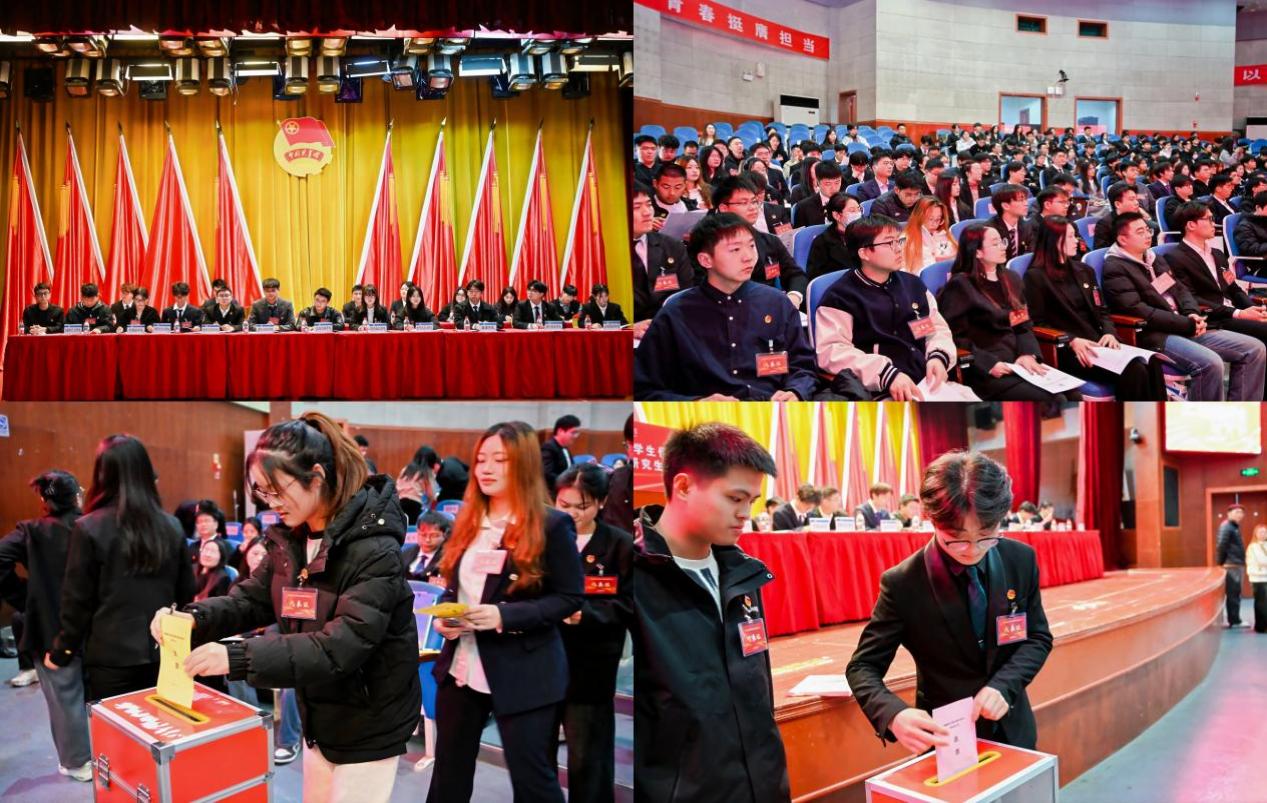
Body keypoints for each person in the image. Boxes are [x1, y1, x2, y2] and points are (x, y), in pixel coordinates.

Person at [152, 412, 422, 801]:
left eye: (277, 490)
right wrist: (192, 619)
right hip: (319, 711)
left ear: (317, 476)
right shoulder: (293, 541)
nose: (271, 503)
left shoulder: (374, 549)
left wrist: (236, 657)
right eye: (263, 492)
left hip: (369, 721)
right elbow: (250, 599)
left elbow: (339, 646)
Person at [847, 451, 1052, 754]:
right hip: (946, 738)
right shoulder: (904, 583)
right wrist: (893, 714)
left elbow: (1037, 637)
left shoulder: (1018, 559)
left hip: (1013, 727)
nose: (972, 550)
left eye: (986, 536)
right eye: (956, 539)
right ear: (931, 519)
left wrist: (1004, 686)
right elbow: (862, 666)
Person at [425, 422, 583, 803]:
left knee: (533, 781)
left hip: (523, 669)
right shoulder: (467, 520)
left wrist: (503, 616)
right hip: (461, 667)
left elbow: (569, 597)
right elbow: (458, 587)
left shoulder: (551, 524)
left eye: (500, 460)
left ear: (523, 464)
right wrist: (447, 618)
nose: (487, 469)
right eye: (481, 459)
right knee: (448, 777)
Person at [634, 422, 791, 803]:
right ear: (684, 487)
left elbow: (758, 690)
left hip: (763, 784)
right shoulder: (635, 578)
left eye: (752, 501)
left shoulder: (743, 573)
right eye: (735, 498)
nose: (745, 514)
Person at [46, 435, 195, 699]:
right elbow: (186, 591)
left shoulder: (88, 527)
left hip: (110, 657)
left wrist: (63, 651)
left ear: (103, 474)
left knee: (115, 725)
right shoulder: (172, 525)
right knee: (163, 721)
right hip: (166, 650)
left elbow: (77, 602)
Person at [635, 213, 819, 401]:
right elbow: (645, 388)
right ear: (706, 260)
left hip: (770, 409)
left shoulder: (776, 303)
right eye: (735, 249)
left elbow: (803, 365)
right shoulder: (676, 313)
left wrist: (795, 391)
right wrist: (696, 403)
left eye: (751, 246)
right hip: (708, 415)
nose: (748, 257)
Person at [1102, 212, 1266, 401]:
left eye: (1147, 230)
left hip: (1185, 324)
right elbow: (1139, 310)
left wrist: (1192, 313)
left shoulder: (1153, 258)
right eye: (1140, 232)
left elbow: (1180, 290)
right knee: (1211, 363)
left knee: (1255, 349)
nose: (1148, 235)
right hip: (1156, 334)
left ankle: (1243, 410)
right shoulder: (1115, 268)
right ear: (1122, 239)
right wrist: (1185, 323)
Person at [0, 471, 93, 782]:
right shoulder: (92, 526)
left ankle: (77, 761)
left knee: (64, 699)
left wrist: (25, 596)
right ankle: (102, 752)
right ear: (77, 496)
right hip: (95, 625)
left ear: (44, 499)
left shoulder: (31, 531)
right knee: (97, 695)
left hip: (49, 627)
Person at [553, 464, 634, 803]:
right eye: (564, 505)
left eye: (582, 506)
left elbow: (629, 604)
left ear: (601, 502)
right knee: (537, 752)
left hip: (591, 665)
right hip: (544, 659)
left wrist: (585, 615)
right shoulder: (545, 539)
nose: (572, 513)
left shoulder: (618, 544)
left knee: (588, 755)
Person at [1024, 215, 1167, 399]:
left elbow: (1102, 310)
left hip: (1099, 342)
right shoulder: (1035, 277)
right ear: (1054, 241)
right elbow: (1037, 323)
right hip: (1070, 349)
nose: (1076, 241)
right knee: (1135, 369)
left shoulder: (1084, 270)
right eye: (1070, 236)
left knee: (1153, 361)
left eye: (1075, 235)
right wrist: (1072, 340)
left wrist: (1109, 332)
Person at [815, 215, 955, 400]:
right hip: (880, 390)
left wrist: (938, 356)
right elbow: (832, 351)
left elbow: (934, 329)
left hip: (928, 383)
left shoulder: (913, 284)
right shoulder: (840, 297)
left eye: (899, 241)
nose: (898, 249)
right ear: (864, 253)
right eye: (889, 243)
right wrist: (886, 374)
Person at [939, 223, 1079, 401]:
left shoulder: (1010, 278)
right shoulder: (961, 285)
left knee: (1073, 395)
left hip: (1019, 362)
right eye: (995, 243)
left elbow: (1023, 325)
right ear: (978, 252)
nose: (1003, 247)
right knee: (1055, 400)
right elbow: (954, 337)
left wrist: (1028, 353)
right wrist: (988, 363)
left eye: (1002, 241)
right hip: (987, 369)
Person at [1167, 201, 1267, 350]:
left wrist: (1254, 309)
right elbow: (1191, 298)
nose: (1214, 223)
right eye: (1209, 219)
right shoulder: (1175, 258)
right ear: (1191, 225)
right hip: (1214, 317)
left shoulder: (1217, 254)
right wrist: (1239, 313)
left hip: (1231, 311)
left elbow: (1233, 289)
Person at [710, 175, 808, 307]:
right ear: (724, 208)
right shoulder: (709, 244)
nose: (752, 207)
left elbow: (796, 274)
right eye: (743, 203)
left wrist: (794, 296)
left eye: (754, 201)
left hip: (769, 307)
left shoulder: (769, 240)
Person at [632, 182, 693, 330]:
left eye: (649, 205)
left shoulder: (672, 247)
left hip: (667, 328)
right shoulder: (603, 254)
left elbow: (686, 295)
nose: (647, 212)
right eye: (636, 207)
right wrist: (628, 328)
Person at [806, 192, 862, 280]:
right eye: (852, 211)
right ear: (836, 215)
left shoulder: (866, 234)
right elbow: (815, 278)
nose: (858, 214)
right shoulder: (822, 242)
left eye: (859, 209)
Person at [903, 196, 957, 271]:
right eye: (930, 219)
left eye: (938, 219)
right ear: (919, 217)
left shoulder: (942, 234)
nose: (934, 224)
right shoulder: (906, 238)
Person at [1217, 505, 1250, 628]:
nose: (1240, 514)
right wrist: (1220, 563)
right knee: (1233, 594)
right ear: (1229, 513)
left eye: (1241, 512)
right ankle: (1235, 621)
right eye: (1237, 512)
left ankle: (1234, 619)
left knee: (1234, 593)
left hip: (1235, 564)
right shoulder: (1227, 526)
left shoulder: (1233, 526)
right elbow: (1221, 545)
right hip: (1232, 565)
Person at [985, 184, 1036, 260]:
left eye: (1026, 199)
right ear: (1005, 206)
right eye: (1021, 200)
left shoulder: (1027, 226)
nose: (1026, 204)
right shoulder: (990, 230)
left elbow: (1031, 254)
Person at [400, 512, 450, 583]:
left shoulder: (448, 560)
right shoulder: (404, 555)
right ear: (417, 532)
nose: (427, 540)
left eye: (433, 535)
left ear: (444, 535)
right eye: (423, 535)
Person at [792, 160, 843, 228]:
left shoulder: (848, 202)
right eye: (828, 184)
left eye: (837, 182)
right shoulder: (803, 207)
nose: (833, 188)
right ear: (818, 182)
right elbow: (801, 233)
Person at [541, 414, 580, 495]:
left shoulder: (564, 447)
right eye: (573, 432)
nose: (576, 436)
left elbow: (570, 468)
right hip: (553, 493)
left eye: (577, 433)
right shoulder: (548, 447)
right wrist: (568, 482)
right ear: (560, 431)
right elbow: (547, 474)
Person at [1234, 191, 1267, 262]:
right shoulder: (1245, 226)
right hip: (1259, 263)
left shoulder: (1264, 219)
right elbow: (1251, 249)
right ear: (1258, 207)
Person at [1247, 524, 1267, 633]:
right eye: (1260, 532)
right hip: (1258, 578)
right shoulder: (1253, 547)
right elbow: (1261, 561)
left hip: (1265, 576)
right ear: (1256, 534)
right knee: (1261, 603)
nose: (1263, 534)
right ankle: (1260, 626)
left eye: (1265, 532)